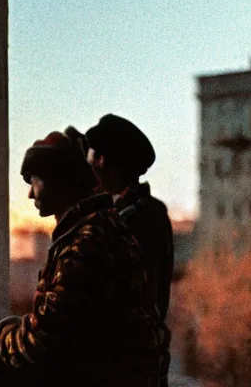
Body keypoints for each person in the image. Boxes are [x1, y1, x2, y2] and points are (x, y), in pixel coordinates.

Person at [0, 127, 163, 386]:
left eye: (33, 180)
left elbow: (44, 338)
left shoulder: (83, 245)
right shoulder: (106, 226)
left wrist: (0, 341)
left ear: (56, 180)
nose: (30, 193)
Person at [85, 114, 174, 387]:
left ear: (103, 163)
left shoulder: (133, 220)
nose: (87, 166)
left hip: (128, 369)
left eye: (91, 158)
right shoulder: (148, 211)